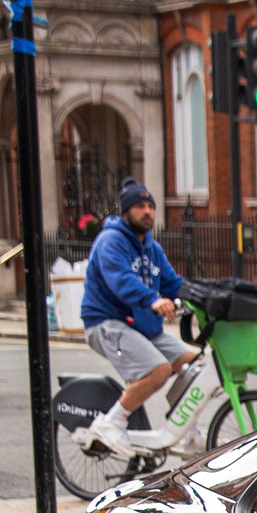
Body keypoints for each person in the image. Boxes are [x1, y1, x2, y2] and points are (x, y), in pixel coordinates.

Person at [80, 178, 197, 458]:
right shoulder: (111, 241)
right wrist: (153, 300)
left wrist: (204, 296)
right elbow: (122, 280)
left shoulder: (152, 248)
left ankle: (184, 430)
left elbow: (171, 282)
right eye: (139, 206)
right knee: (158, 370)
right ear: (124, 212)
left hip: (144, 328)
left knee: (196, 367)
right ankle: (111, 423)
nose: (147, 212)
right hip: (108, 322)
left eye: (150, 206)